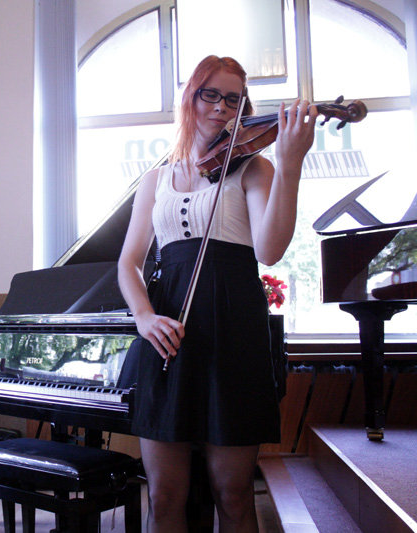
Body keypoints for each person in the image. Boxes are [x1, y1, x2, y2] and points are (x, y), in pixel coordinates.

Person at [117, 56, 317, 532]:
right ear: (191, 97)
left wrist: (290, 164)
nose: (222, 107)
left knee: (234, 494)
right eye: (211, 95)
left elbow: (269, 250)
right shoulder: (155, 179)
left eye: (233, 99)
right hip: (168, 337)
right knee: (164, 495)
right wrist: (143, 316)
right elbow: (129, 263)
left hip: (234, 334)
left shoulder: (254, 168)